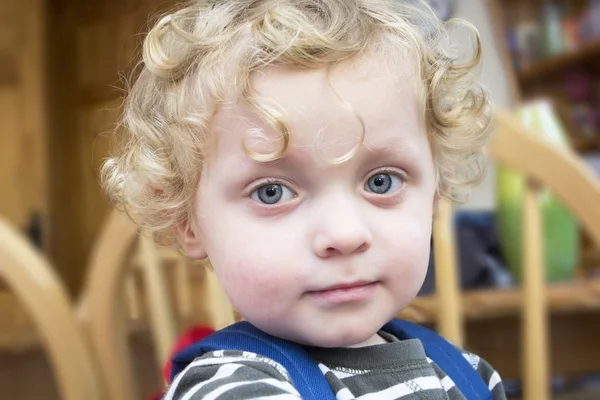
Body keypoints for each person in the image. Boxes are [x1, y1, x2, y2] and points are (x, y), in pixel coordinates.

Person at [102, 0, 505, 398]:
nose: (345, 234)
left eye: (382, 182)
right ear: (186, 220)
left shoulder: (469, 375)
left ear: (434, 191)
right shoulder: (231, 389)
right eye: (271, 192)